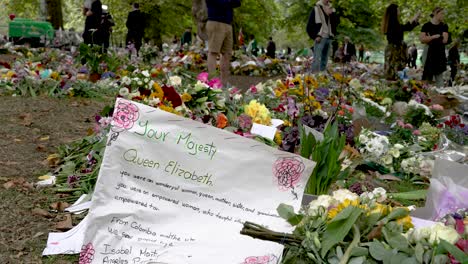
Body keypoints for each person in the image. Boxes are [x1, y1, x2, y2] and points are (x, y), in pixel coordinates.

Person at [206, 0, 241, 86]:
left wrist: (229, 2)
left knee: (227, 54)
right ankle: (212, 82)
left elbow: (237, 2)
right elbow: (219, 2)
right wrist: (229, 2)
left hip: (228, 23)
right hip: (216, 21)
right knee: (213, 52)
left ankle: (224, 83)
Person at [381, 3, 420, 80]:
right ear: (394, 11)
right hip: (395, 51)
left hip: (394, 49)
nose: (399, 11)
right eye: (398, 9)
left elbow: (405, 28)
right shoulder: (393, 23)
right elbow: (404, 28)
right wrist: (414, 19)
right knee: (395, 71)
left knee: (394, 71)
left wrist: (415, 20)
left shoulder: (392, 22)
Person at [306, 0, 339, 72]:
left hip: (329, 37)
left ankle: (322, 76)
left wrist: (332, 14)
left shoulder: (332, 9)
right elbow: (309, 26)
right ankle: (314, 76)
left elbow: (336, 23)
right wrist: (315, 36)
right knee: (316, 59)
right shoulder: (316, 9)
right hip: (320, 37)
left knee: (325, 59)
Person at [420, 7, 449, 87]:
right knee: (427, 76)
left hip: (440, 52)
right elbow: (422, 40)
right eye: (442, 13)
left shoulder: (444, 26)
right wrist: (434, 37)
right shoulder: (426, 26)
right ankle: (426, 96)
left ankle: (441, 95)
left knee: (439, 76)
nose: (443, 15)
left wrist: (428, 38)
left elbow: (444, 40)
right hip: (428, 52)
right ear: (435, 14)